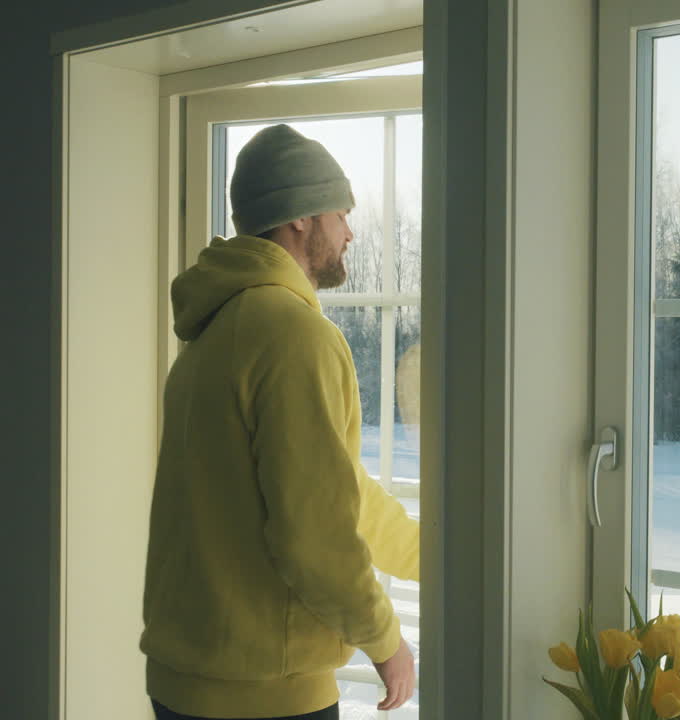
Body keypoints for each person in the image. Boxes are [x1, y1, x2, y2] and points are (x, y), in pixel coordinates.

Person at [140, 124, 420, 720]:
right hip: (265, 695)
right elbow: (314, 535)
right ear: (300, 218)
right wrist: (386, 641)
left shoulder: (214, 330)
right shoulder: (293, 335)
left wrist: (437, 556)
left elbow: (333, 490)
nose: (350, 231)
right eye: (341, 212)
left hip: (187, 681)